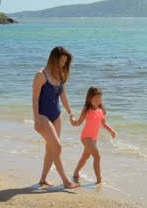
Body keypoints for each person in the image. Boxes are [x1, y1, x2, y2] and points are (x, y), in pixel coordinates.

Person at [32, 46, 79, 189]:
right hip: (43, 115)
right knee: (57, 147)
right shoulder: (41, 75)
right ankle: (65, 181)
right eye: (61, 61)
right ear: (53, 59)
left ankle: (43, 179)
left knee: (51, 148)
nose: (63, 64)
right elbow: (34, 99)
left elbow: (63, 96)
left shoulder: (60, 74)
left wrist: (71, 114)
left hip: (57, 115)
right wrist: (36, 121)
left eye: (65, 62)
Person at [70, 87, 116, 184]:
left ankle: (76, 172)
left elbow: (104, 124)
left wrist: (111, 130)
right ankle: (99, 179)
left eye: (99, 99)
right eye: (95, 99)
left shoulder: (100, 110)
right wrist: (72, 120)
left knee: (85, 156)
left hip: (94, 138)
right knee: (97, 156)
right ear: (89, 98)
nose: (97, 101)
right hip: (86, 136)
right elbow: (78, 122)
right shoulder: (87, 110)